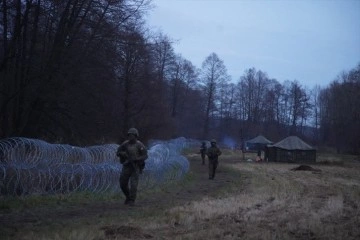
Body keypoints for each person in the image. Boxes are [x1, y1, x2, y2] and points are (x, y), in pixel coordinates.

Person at [116, 128, 148, 206]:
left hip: (135, 166)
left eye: (132, 135)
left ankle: (132, 200)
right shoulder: (125, 144)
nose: (130, 137)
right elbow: (118, 152)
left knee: (133, 184)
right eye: (129, 135)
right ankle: (128, 196)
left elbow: (145, 155)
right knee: (122, 183)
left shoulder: (139, 145)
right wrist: (123, 154)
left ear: (136, 136)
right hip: (127, 165)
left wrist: (137, 159)